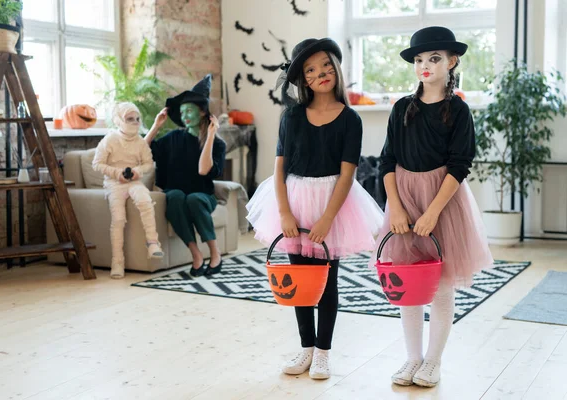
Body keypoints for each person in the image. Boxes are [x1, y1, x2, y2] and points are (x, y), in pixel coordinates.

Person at [246, 38, 384, 380]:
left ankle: (323, 351)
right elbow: (279, 168)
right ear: (303, 80)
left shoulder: (350, 119)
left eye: (325, 65)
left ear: (335, 68)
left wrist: (327, 218)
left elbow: (348, 173)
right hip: (294, 199)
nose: (320, 73)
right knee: (300, 279)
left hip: (332, 203)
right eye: (310, 69)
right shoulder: (291, 116)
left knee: (326, 281)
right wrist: (285, 213)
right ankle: (306, 347)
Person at [371, 26, 494, 387]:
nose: (425, 66)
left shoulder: (458, 110)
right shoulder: (400, 109)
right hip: (404, 197)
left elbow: (460, 164)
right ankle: (412, 358)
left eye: (434, 59)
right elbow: (387, 160)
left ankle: (433, 362)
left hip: (443, 199)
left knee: (440, 284)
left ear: (451, 61)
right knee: (408, 281)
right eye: (420, 60)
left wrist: (433, 211)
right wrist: (395, 207)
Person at [145, 74, 226, 277]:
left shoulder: (217, 144)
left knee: (194, 199)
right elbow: (142, 150)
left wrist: (210, 135)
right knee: (175, 196)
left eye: (189, 110)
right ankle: (196, 254)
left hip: (203, 196)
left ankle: (215, 254)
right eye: (182, 112)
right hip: (176, 192)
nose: (185, 116)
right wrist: (156, 125)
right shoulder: (173, 138)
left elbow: (203, 170)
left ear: (202, 113)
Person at [92, 102, 164, 279]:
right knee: (118, 219)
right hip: (114, 184)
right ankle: (117, 262)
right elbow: (97, 163)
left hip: (134, 182)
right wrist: (116, 173)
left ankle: (153, 243)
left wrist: (137, 172)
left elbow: (148, 163)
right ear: (118, 120)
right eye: (129, 119)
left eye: (137, 119)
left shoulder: (140, 142)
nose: (135, 122)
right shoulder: (110, 140)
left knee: (145, 201)